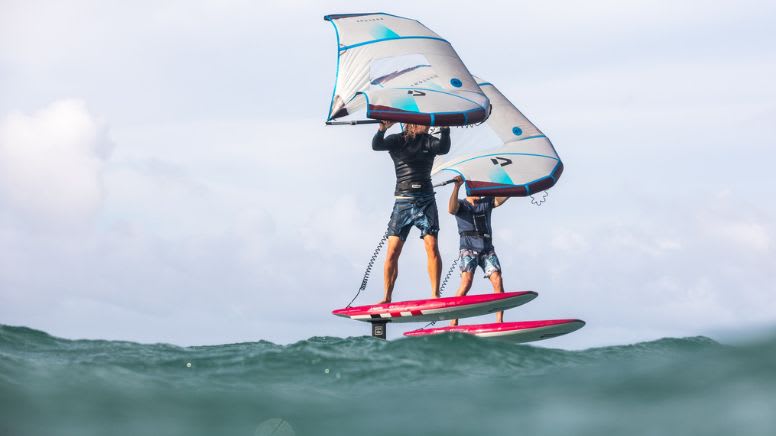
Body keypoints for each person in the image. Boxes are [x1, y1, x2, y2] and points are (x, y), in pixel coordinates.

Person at [372, 121, 451, 304]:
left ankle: (435, 294)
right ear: (410, 124)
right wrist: (382, 129)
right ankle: (386, 297)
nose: (428, 126)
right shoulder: (397, 140)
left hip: (426, 200)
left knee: (431, 246)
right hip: (403, 202)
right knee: (392, 251)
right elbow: (377, 145)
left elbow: (443, 148)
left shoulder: (429, 141)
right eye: (423, 122)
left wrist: (445, 128)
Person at [447, 176, 508, 325]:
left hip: (487, 249)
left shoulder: (486, 202)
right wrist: (456, 187)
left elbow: (503, 197)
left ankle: (499, 322)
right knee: (466, 283)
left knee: (497, 280)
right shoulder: (461, 205)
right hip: (468, 249)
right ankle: (453, 321)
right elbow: (451, 209)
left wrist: (516, 185)